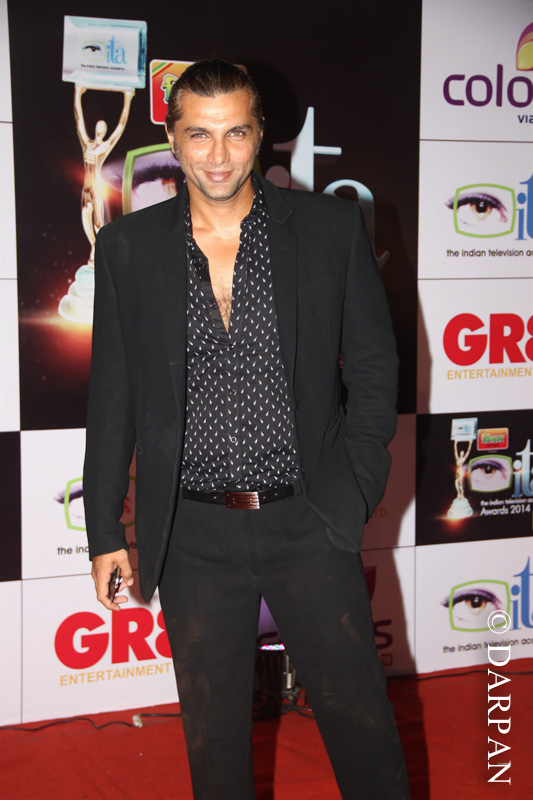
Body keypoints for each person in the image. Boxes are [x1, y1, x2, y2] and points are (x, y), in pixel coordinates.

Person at [84, 58, 410, 800]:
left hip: (309, 521)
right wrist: (104, 529)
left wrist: (353, 491)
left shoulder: (328, 228)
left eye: (235, 132)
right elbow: (113, 395)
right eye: (199, 134)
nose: (218, 155)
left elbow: (373, 367)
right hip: (191, 536)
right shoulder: (128, 247)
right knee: (215, 746)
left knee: (363, 731)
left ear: (262, 134)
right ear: (172, 137)